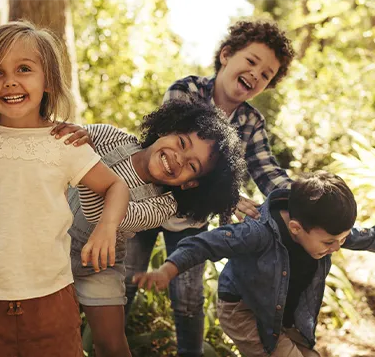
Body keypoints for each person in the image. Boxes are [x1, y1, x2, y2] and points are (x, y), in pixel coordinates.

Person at [51, 19, 297, 356]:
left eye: (266, 73)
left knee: (189, 297)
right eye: (251, 61)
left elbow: (265, 167)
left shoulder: (251, 123)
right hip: (140, 195)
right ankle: (93, 342)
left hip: (179, 211)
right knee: (124, 279)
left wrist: (297, 199)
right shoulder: (187, 91)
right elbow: (158, 137)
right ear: (226, 55)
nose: (256, 73)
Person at [133, 171, 375, 357]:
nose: (337, 247)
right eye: (330, 242)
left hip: (285, 313)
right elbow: (206, 243)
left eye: (341, 239)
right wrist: (169, 268)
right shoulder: (257, 234)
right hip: (244, 312)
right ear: (296, 229)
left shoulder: (327, 232)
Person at [0, 21, 129, 357]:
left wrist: (106, 228)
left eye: (24, 69)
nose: (11, 82)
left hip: (51, 301)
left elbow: (115, 185)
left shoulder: (64, 142)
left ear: (47, 79)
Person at [67, 99, 246, 356]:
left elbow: (100, 216)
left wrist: (85, 163)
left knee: (112, 344)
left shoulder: (162, 206)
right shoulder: (113, 138)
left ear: (190, 185)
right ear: (166, 129)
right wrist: (75, 138)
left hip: (99, 266)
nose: (178, 159)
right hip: (53, 241)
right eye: (182, 143)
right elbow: (69, 140)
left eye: (192, 166)